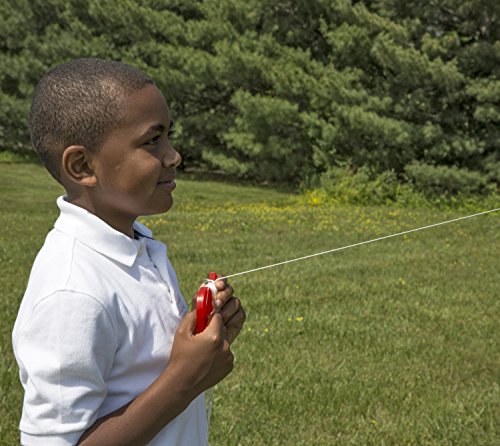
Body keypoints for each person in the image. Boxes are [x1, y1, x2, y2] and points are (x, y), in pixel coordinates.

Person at [12, 58, 246, 446]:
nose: (174, 156)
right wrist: (185, 380)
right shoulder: (72, 293)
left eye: (169, 136)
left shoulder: (136, 246)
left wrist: (199, 340)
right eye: (152, 141)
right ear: (82, 165)